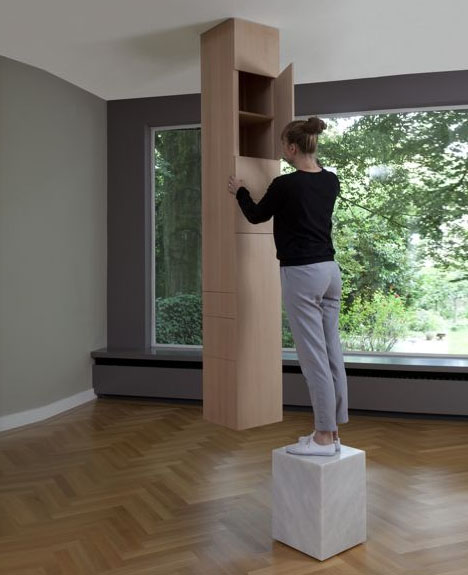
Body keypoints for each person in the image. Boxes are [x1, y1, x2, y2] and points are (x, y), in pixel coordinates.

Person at [228, 116, 348, 456]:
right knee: (331, 352)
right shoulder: (331, 181)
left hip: (303, 273)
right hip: (330, 271)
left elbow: (255, 215)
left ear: (292, 148)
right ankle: (334, 429)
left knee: (313, 360)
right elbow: (315, 173)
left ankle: (323, 436)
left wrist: (239, 190)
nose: (282, 150)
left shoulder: (285, 185)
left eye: (284, 145)